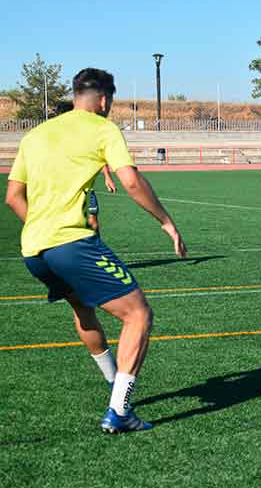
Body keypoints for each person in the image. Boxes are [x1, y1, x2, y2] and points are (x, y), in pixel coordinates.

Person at [5, 68, 187, 433]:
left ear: (75, 95)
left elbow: (12, 197)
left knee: (83, 307)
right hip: (70, 243)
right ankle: (119, 411)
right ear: (104, 100)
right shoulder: (103, 129)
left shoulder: (36, 134)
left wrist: (42, 231)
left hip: (33, 250)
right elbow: (131, 181)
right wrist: (166, 222)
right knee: (138, 315)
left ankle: (112, 383)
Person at [87, 165, 117, 235]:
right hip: (67, 190)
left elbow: (100, 157)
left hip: (87, 190)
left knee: (93, 222)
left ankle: (96, 242)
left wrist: (107, 177)